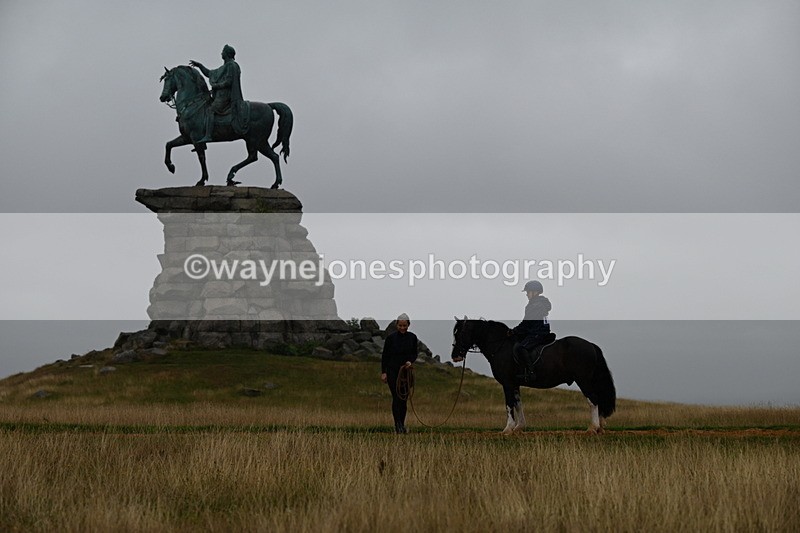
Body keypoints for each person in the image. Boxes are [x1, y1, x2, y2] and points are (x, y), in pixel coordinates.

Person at [189, 44, 249, 141]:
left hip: (226, 96)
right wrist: (200, 66)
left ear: (227, 54)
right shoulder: (223, 67)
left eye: (223, 52)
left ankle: (208, 135)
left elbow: (229, 81)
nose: (221, 53)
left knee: (210, 110)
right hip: (220, 95)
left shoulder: (232, 65)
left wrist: (217, 86)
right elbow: (209, 73)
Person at [380, 313, 418, 434]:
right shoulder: (391, 338)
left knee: (403, 399)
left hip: (406, 372)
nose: (402, 328)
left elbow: (414, 353)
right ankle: (398, 425)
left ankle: (402, 423)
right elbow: (385, 356)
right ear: (397, 325)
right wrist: (384, 372)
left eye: (404, 325)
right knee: (396, 397)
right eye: (400, 325)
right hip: (392, 371)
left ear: (408, 325)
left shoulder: (412, 337)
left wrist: (410, 361)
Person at [511, 280, 554, 383]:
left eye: (528, 292)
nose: (527, 294)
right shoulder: (541, 303)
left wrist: (514, 331)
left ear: (535, 292)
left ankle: (531, 372)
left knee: (521, 347)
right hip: (542, 331)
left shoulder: (535, 305)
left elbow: (526, 324)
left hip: (537, 333)